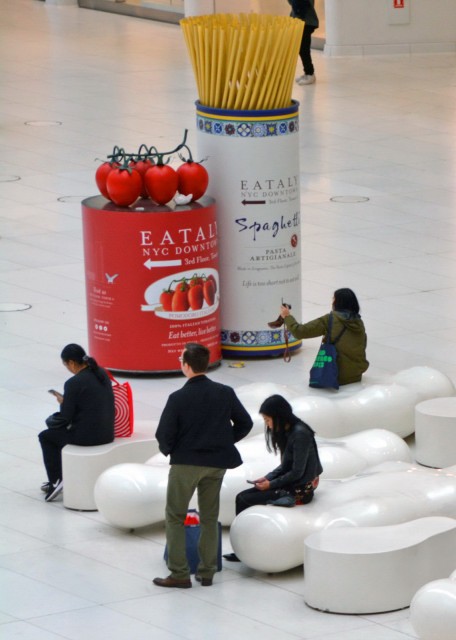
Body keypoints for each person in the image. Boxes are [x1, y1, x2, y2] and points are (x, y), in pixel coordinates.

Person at [153, 342, 253, 589]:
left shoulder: (178, 398)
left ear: (186, 366)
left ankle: (179, 573)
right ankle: (207, 572)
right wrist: (224, 441)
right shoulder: (225, 392)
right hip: (216, 463)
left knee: (175, 516)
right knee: (209, 516)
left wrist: (172, 450)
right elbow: (245, 423)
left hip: (186, 463)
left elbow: (163, 434)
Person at [224, 394, 323, 562]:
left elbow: (297, 472)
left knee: (244, 499)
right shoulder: (289, 431)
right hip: (292, 483)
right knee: (243, 497)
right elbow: (286, 466)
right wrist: (267, 478)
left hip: (300, 488)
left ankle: (243, 548)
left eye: (268, 420)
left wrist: (270, 485)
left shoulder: (300, 434)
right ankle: (242, 547)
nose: (267, 424)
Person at [38, 344, 115, 502]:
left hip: (88, 437)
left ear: (72, 363)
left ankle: (56, 480)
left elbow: (66, 417)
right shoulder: (101, 373)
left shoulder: (73, 383)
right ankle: (61, 478)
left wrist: (63, 402)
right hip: (107, 432)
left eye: (66, 365)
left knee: (46, 436)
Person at [281, 288, 369, 385]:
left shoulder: (330, 319)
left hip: (335, 375)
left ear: (337, 302)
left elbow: (299, 332)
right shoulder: (359, 322)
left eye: (333, 299)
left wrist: (287, 316)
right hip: (356, 374)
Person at [288, 0, 319, 85]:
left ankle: (310, 74)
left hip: (306, 22)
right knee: (302, 49)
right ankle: (307, 73)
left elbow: (298, 5)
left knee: (303, 49)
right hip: (303, 21)